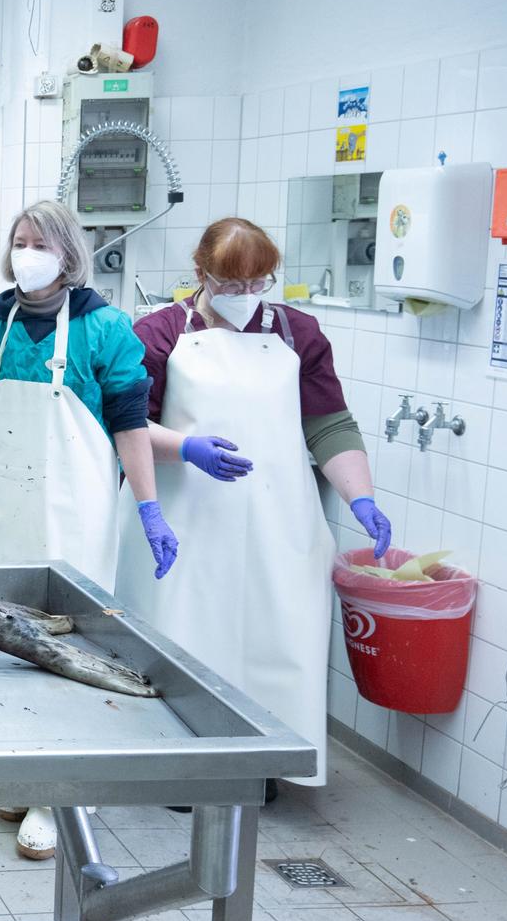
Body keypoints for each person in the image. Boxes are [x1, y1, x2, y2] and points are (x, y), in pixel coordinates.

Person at [0, 200, 176, 861]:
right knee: (4, 646)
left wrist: (149, 506)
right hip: (6, 518)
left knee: (70, 659)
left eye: (41, 242)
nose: (28, 252)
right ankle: (19, 771)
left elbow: (130, 428)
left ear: (68, 253)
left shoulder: (105, 329)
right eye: (19, 240)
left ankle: (63, 798)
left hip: (76, 523)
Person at [116, 217, 391, 794]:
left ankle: (260, 762)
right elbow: (128, 426)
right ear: (200, 274)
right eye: (231, 284)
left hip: (277, 520)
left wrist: (360, 496)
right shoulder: (160, 332)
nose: (245, 297)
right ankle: (180, 771)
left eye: (258, 283)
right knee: (187, 636)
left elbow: (328, 424)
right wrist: (186, 449)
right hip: (183, 516)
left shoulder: (299, 334)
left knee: (278, 635)